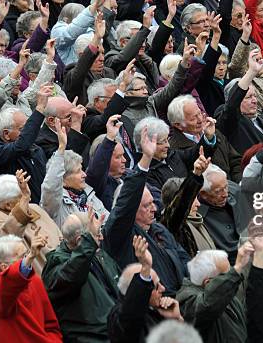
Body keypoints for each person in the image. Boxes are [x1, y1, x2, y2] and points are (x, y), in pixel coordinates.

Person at [102, 126, 190, 296]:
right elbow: (126, 203)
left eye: (152, 203)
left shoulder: (159, 230)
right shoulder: (120, 235)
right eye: (146, 205)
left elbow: (184, 261)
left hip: (181, 298)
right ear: (133, 209)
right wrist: (146, 159)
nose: (154, 208)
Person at [42, 210, 121, 343]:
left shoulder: (96, 254)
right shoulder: (56, 265)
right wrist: (89, 242)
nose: (101, 237)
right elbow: (72, 273)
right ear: (80, 240)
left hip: (117, 328)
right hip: (95, 338)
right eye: (97, 234)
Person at [0, 234, 62, 342]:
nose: (28, 260)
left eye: (27, 254)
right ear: (4, 267)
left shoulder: (34, 280)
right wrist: (30, 257)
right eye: (23, 256)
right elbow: (7, 288)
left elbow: (50, 324)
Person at [107, 235, 183, 343]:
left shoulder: (157, 311)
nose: (163, 288)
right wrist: (145, 268)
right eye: (156, 286)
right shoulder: (120, 319)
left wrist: (177, 318)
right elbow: (130, 318)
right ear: (135, 291)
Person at [0, 171, 62, 274]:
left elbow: (58, 234)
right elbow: (10, 235)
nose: (29, 198)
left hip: (64, 264)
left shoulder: (34, 207)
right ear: (8, 205)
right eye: (21, 197)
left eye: (26, 194)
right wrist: (25, 197)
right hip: (45, 276)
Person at [177, 246, 252, 343]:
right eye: (226, 275)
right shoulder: (188, 300)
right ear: (208, 282)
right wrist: (237, 268)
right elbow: (207, 306)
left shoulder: (223, 291)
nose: (230, 278)